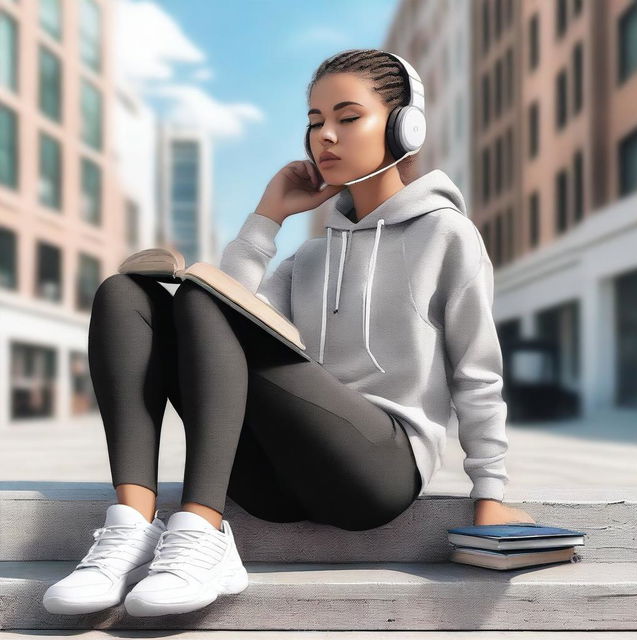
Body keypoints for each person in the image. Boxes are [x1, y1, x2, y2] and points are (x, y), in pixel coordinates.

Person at [43, 48, 534, 617]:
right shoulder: (310, 257)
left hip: (376, 472)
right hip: (275, 483)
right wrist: (266, 219)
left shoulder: (448, 235)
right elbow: (219, 328)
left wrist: (489, 494)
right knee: (125, 295)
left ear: (405, 127)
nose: (325, 136)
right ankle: (131, 525)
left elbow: (477, 371)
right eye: (314, 122)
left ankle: (200, 527)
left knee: (206, 301)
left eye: (347, 118)